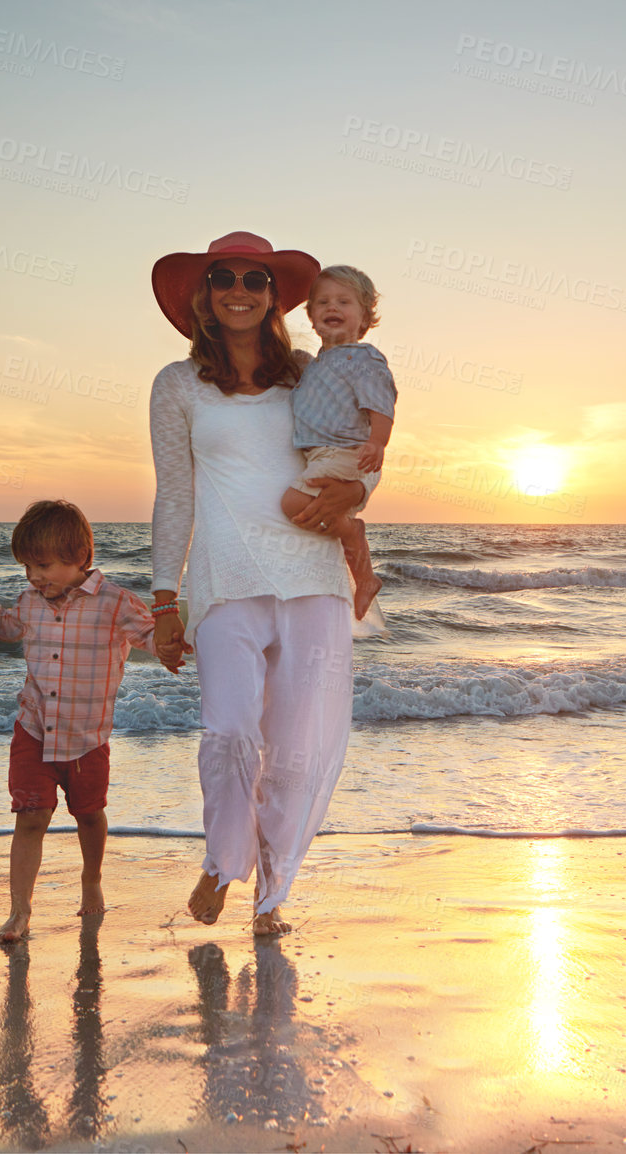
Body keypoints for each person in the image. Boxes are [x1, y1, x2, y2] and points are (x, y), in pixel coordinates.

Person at [148, 231, 370, 937]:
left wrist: (353, 505)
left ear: (275, 296)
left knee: (300, 747)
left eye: (255, 280)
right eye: (224, 278)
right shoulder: (176, 385)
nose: (239, 291)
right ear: (204, 295)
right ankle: (222, 858)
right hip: (222, 582)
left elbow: (353, 452)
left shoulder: (309, 373)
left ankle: (270, 897)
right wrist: (163, 597)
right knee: (231, 731)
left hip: (311, 575)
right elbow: (174, 493)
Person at [0, 499, 162, 942]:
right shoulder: (30, 603)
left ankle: (91, 879)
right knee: (31, 816)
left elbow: (156, 640)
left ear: (80, 557)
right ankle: (19, 912)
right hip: (33, 730)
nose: (34, 577)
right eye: (28, 567)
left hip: (87, 739)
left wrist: (183, 642)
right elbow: (5, 626)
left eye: (42, 565)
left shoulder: (116, 603)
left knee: (89, 815)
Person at [281, 265, 396, 620]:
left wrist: (377, 442)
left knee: (292, 503)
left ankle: (355, 542)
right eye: (323, 302)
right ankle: (364, 578)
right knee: (306, 507)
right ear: (312, 316)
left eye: (344, 302)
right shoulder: (315, 364)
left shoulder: (363, 358)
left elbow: (381, 402)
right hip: (321, 454)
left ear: (364, 317)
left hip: (346, 450)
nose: (333, 308)